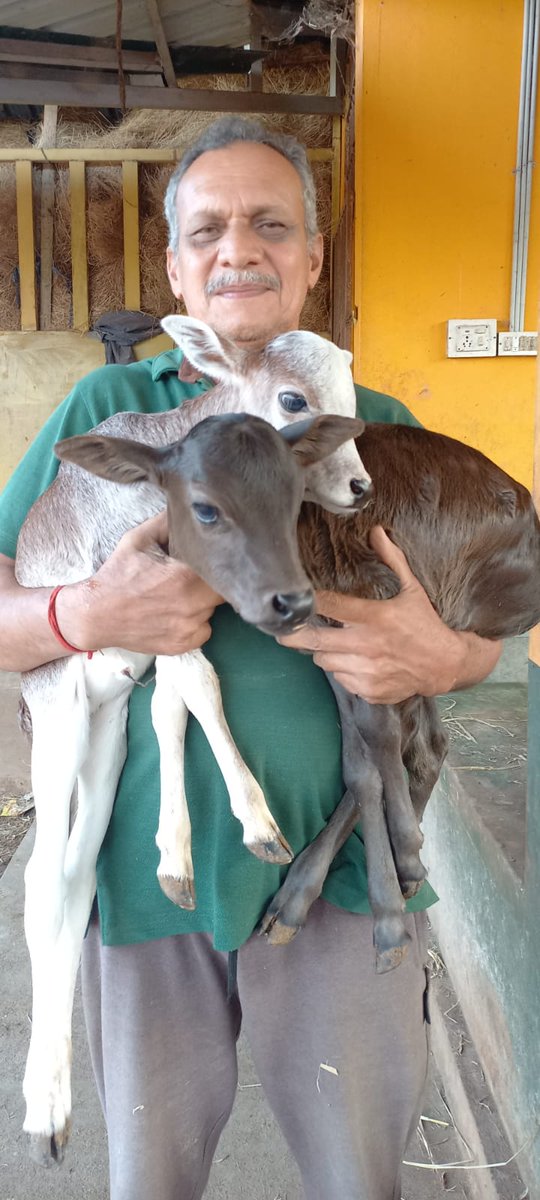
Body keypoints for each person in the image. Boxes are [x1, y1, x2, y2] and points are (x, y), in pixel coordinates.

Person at [0, 117, 501, 1200]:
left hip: (353, 880)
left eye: (271, 226)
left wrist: (446, 656)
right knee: (152, 1174)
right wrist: (87, 611)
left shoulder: (373, 430)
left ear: (313, 260)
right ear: (177, 268)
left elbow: (490, 625)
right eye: (209, 230)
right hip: (143, 881)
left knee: (356, 1174)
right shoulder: (111, 417)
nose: (240, 250)